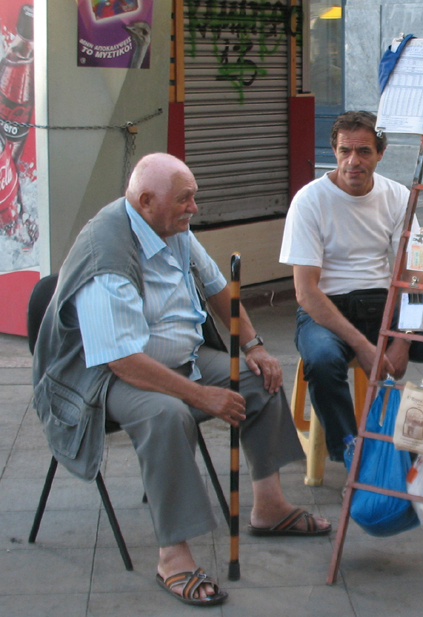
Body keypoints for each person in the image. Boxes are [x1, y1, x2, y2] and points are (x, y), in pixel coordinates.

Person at [33, 153, 330, 607]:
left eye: (194, 197)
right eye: (185, 199)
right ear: (146, 201)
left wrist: (254, 347)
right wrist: (201, 396)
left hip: (181, 359)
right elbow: (122, 362)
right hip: (105, 376)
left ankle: (269, 506)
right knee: (167, 414)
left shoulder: (172, 228)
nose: (194, 207)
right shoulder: (106, 254)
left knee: (257, 380)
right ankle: (173, 557)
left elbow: (218, 291)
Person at [280, 110, 423, 463]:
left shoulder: (397, 197)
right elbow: (306, 292)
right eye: (345, 151)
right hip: (327, 313)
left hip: (386, 308)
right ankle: (351, 451)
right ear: (333, 151)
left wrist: (402, 340)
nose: (353, 161)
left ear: (380, 154)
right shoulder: (309, 201)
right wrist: (363, 346)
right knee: (321, 360)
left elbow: (414, 278)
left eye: (364, 151)